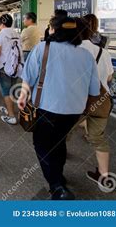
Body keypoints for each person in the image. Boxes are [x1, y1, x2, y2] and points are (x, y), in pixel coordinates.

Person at [18, 16, 100, 200]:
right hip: (74, 112)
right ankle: (59, 175)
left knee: (42, 145)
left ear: (55, 31)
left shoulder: (42, 49)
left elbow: (28, 77)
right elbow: (94, 90)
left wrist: (23, 96)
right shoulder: (86, 55)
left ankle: (56, 186)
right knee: (59, 141)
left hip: (46, 109)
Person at [78, 15, 115, 189]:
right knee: (98, 139)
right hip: (101, 101)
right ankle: (104, 176)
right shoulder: (103, 52)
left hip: (77, 101)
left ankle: (58, 178)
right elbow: (108, 77)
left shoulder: (74, 49)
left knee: (60, 135)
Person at [0, 14, 23, 125]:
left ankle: (11, 116)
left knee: (6, 91)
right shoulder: (17, 34)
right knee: (12, 89)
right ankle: (10, 109)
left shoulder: (0, 35)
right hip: (15, 67)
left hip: (4, 68)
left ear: (1, 23)